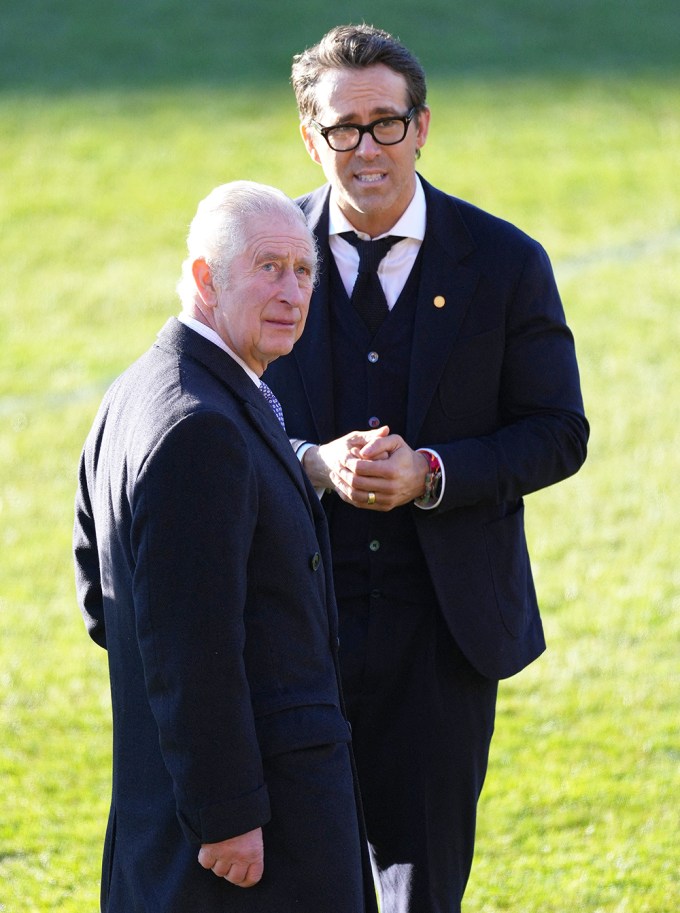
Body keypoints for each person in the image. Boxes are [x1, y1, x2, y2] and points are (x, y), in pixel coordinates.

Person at [263, 24, 590, 913]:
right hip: (295, 624)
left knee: (422, 890)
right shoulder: (265, 255)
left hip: (444, 632)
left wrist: (433, 472)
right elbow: (219, 421)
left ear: (422, 126)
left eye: (385, 123)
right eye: (342, 128)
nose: (365, 148)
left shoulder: (506, 261)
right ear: (309, 135)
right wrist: (310, 464)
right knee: (302, 880)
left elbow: (559, 430)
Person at [73, 180, 377, 913]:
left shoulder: (141, 390)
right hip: (256, 829)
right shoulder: (199, 427)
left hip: (185, 799)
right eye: (269, 268)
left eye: (304, 272)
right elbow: (190, 642)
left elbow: (100, 603)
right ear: (206, 278)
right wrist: (228, 811)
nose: (292, 292)